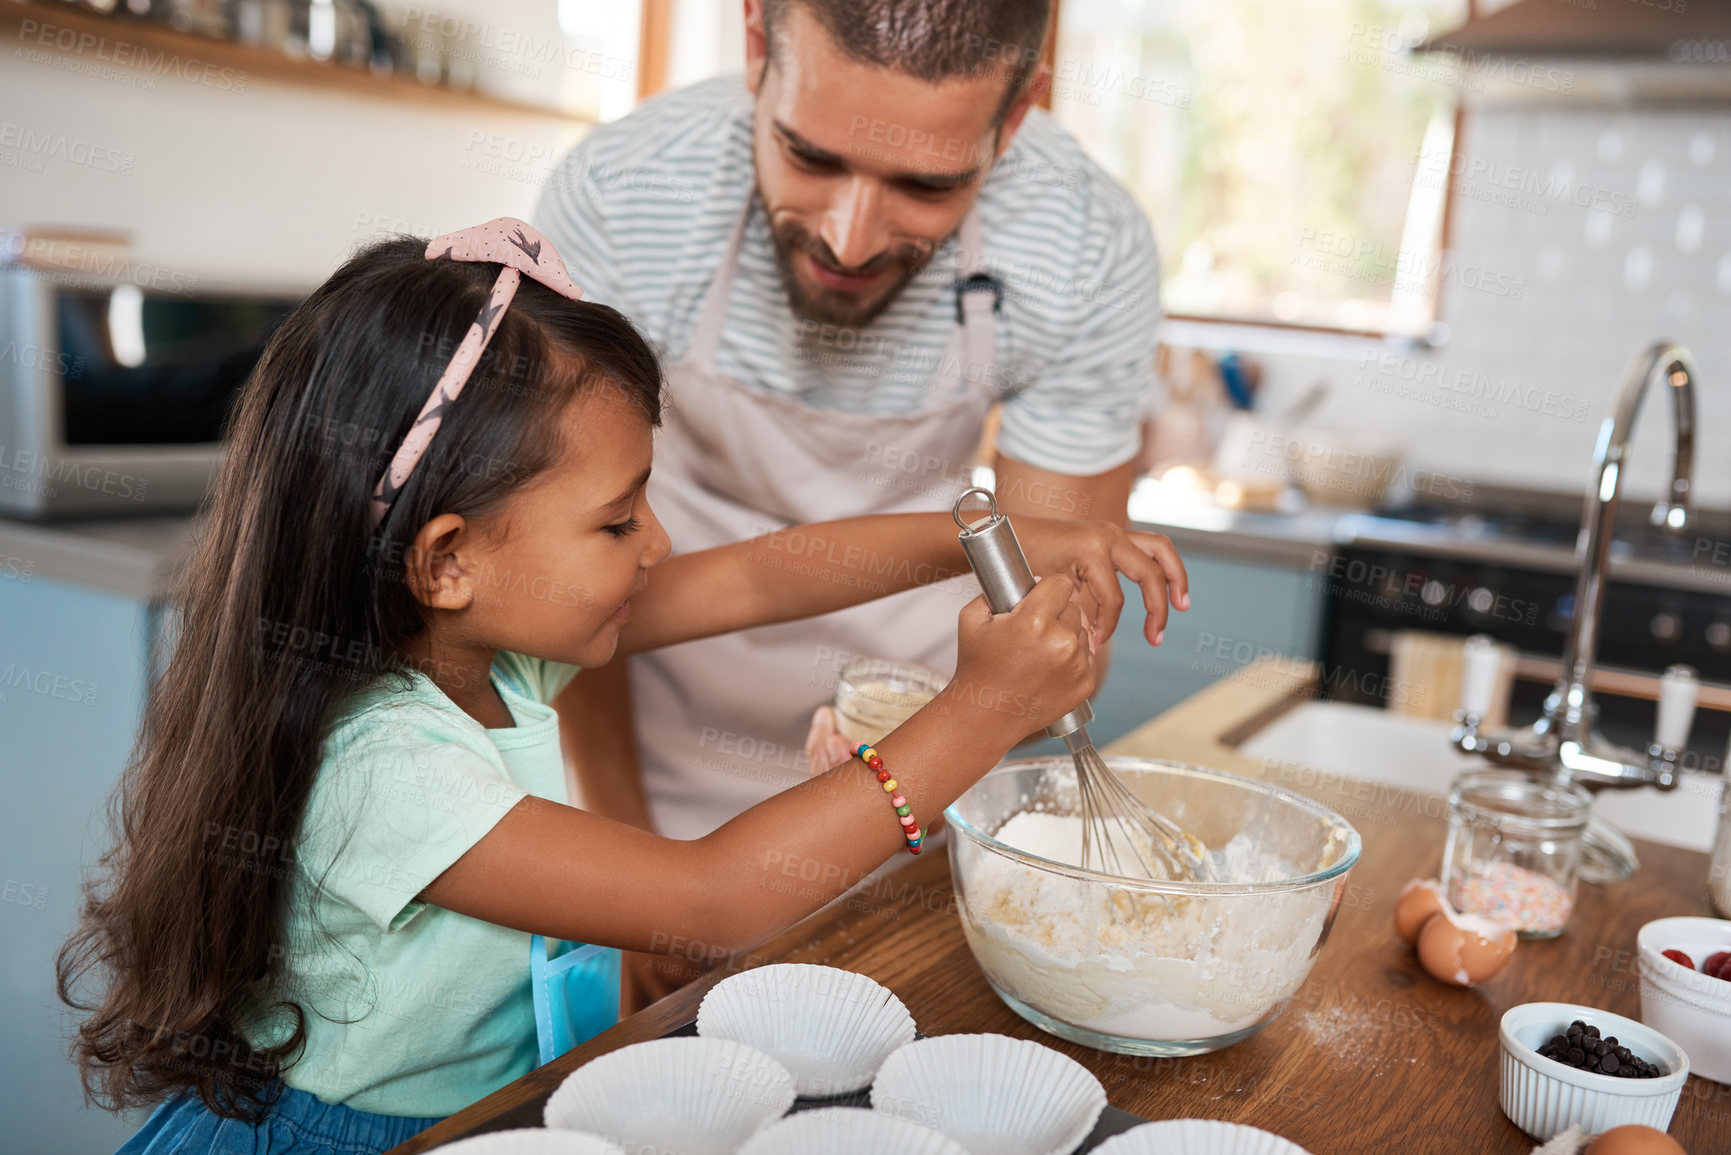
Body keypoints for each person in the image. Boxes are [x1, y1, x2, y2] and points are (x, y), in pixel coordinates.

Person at [57, 219, 1187, 1155]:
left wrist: (988, 522)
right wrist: (981, 711)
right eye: (616, 519)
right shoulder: (380, 768)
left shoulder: (489, 647)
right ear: (447, 558)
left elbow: (761, 573)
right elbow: (713, 894)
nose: (654, 545)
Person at [536, 0, 1170, 1005]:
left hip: (921, 779)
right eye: (809, 155)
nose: (849, 234)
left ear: (1014, 120)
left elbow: (1056, 642)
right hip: (647, 774)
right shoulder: (624, 198)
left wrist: (945, 732)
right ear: (757, 47)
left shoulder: (1083, 246)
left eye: (926, 184)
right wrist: (626, 855)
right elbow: (560, 595)